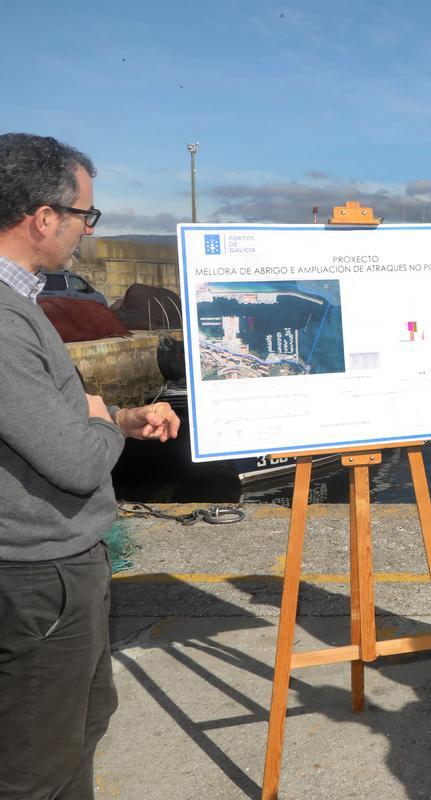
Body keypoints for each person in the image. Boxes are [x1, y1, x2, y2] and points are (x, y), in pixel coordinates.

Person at [0, 133, 181, 799]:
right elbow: (75, 459)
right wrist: (105, 420)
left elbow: (48, 416)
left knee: (82, 723)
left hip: (45, 567)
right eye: (84, 215)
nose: (87, 232)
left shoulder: (19, 301)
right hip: (37, 574)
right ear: (43, 216)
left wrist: (122, 421)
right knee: (38, 762)